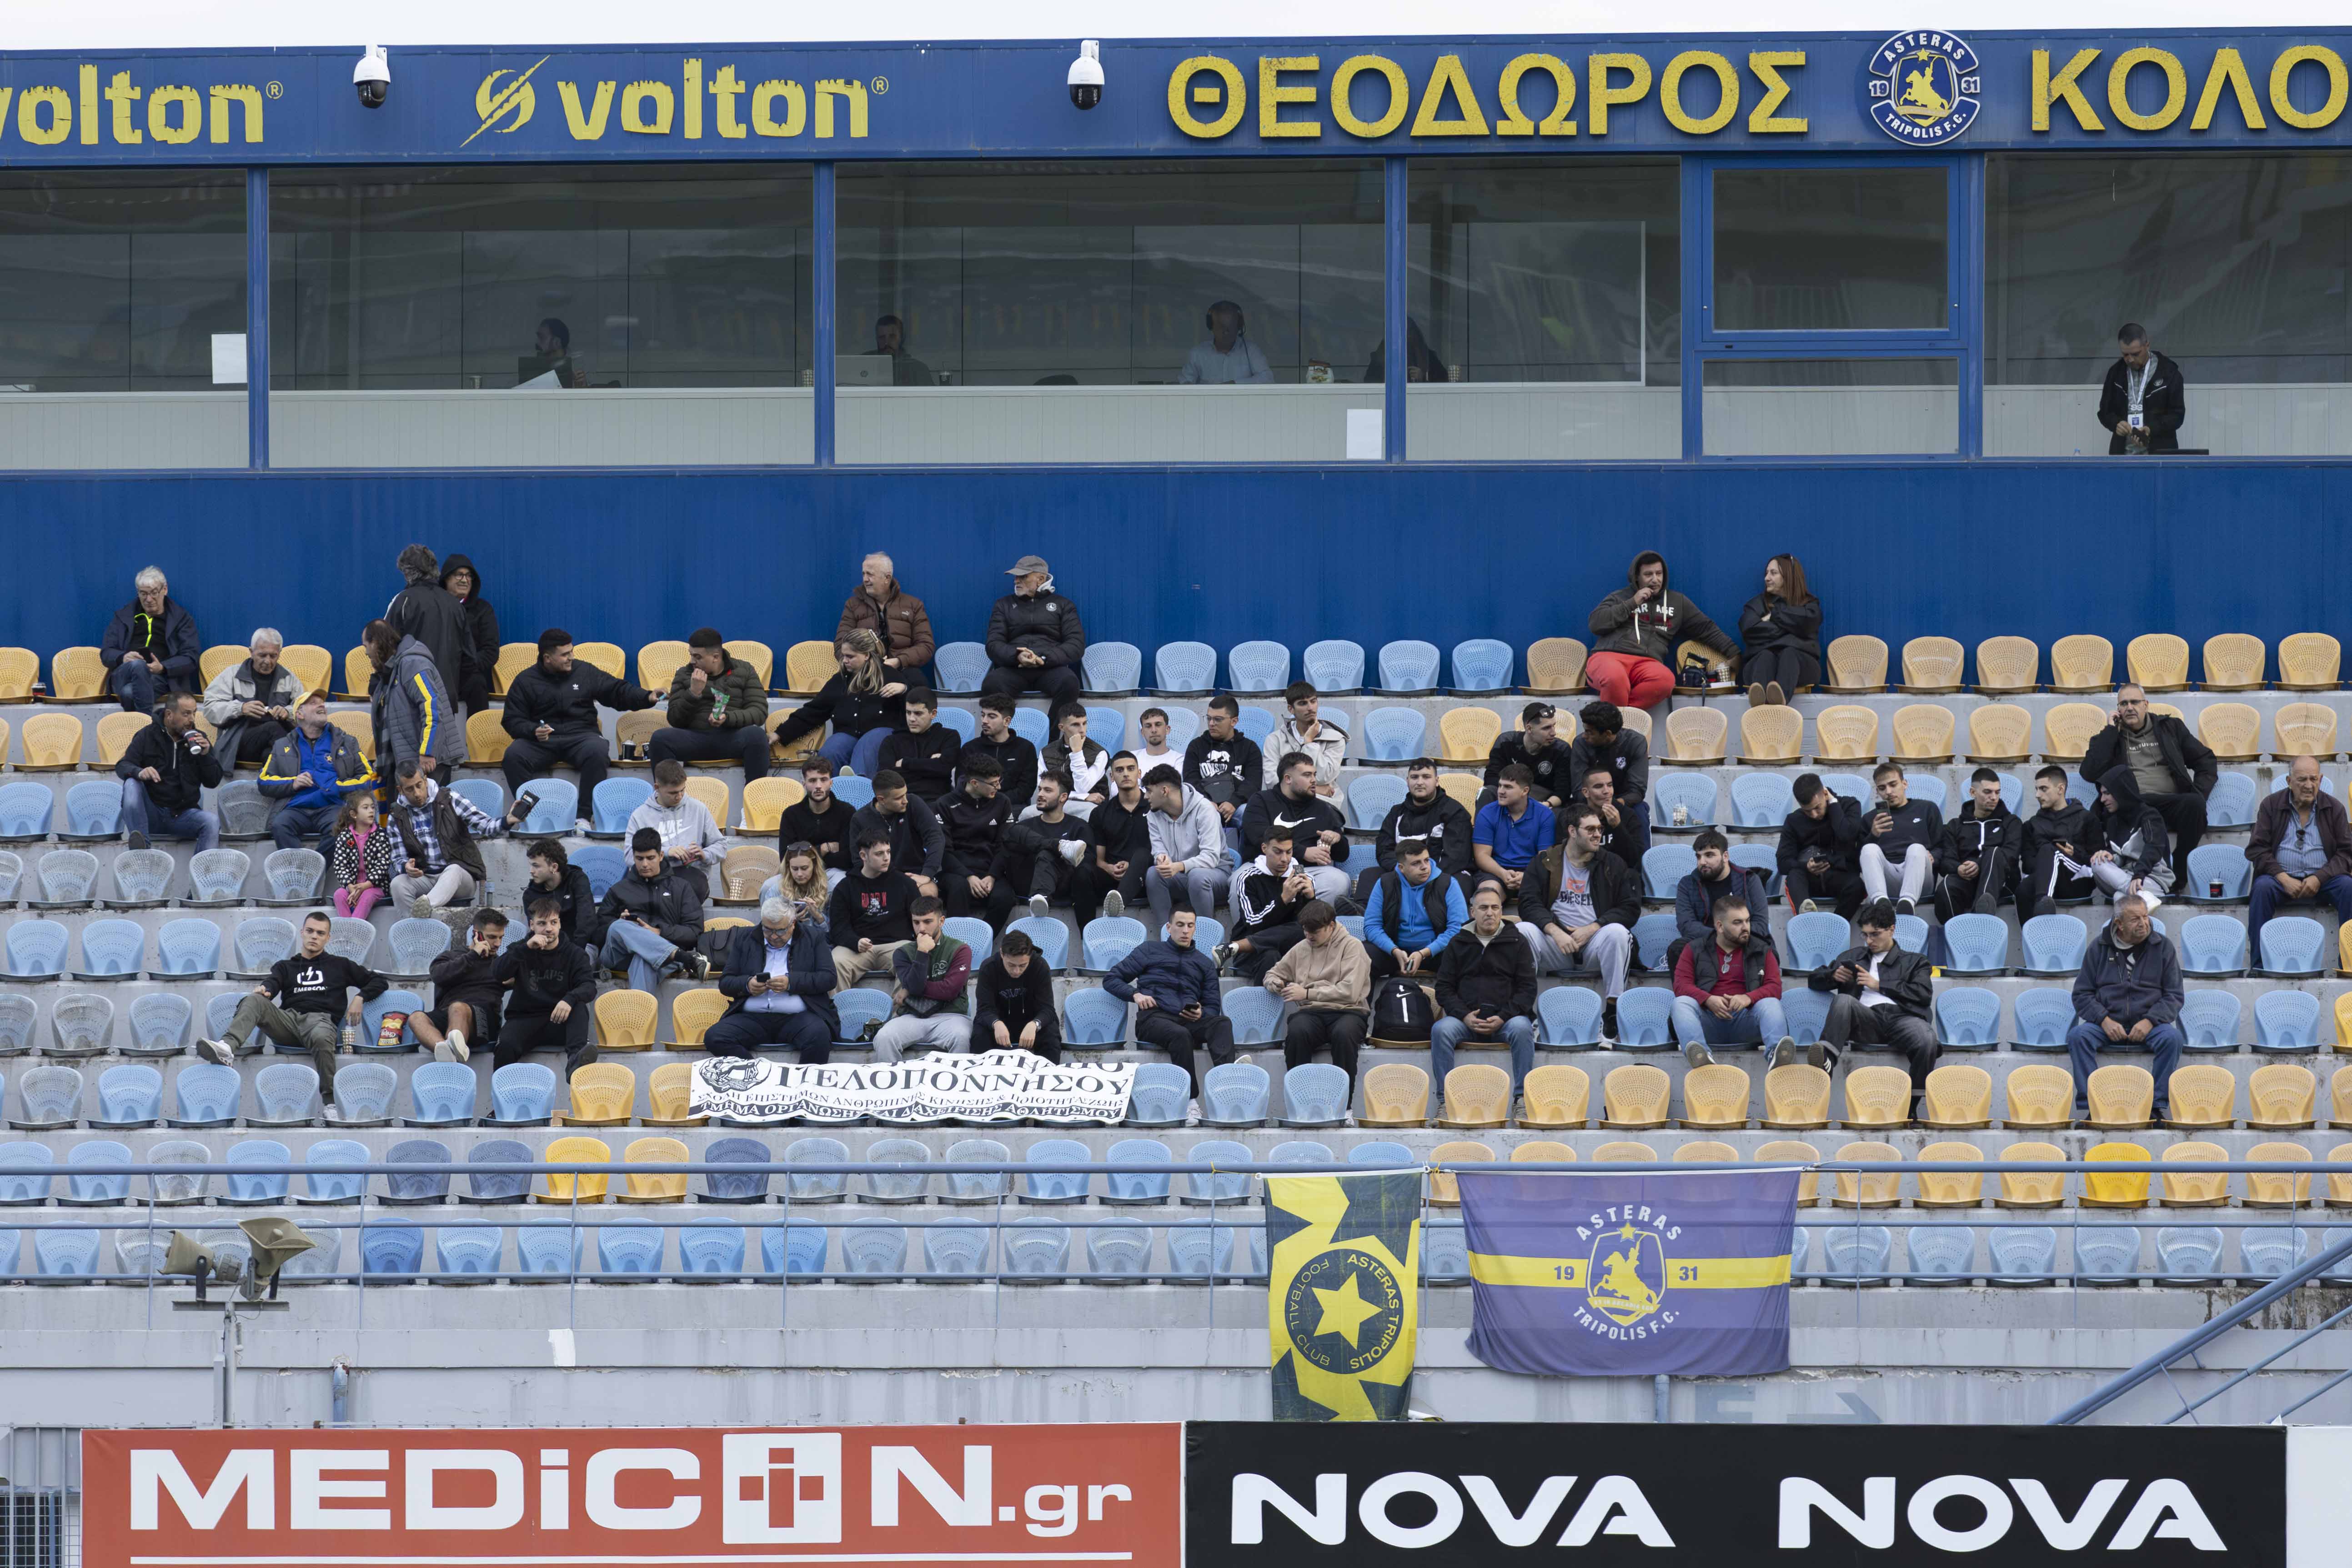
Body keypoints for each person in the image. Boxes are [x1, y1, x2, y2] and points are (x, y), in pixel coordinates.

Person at [193, 910, 388, 1103]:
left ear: (328, 938)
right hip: (288, 1023)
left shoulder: (341, 965)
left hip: (320, 1023)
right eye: (310, 931)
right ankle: (227, 1047)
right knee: (254, 999)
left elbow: (379, 981)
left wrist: (360, 997)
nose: (314, 936)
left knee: (321, 1036)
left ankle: (330, 1103)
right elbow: (273, 983)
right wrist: (266, 990)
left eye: (320, 933)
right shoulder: (285, 966)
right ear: (302, 932)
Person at [500, 630, 655, 831]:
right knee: (513, 756)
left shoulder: (585, 672)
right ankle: (533, 816)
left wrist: (646, 697)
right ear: (547, 658)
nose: (571, 657)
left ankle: (583, 818)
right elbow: (511, 719)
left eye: (571, 652)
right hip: (542, 741)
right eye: (565, 654)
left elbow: (616, 690)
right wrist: (533, 730)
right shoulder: (525, 680)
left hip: (581, 737)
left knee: (598, 750)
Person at [1794, 898, 1936, 1107]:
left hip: (1903, 1020)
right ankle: (1826, 1061)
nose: (1869, 941)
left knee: (1927, 1038)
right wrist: (1833, 976)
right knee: (1844, 1000)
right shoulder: (1853, 957)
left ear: (1892, 930)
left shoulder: (1915, 961)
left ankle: (1911, 1107)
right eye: (1865, 935)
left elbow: (1923, 994)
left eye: (1875, 934)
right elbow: (1813, 979)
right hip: (1866, 1020)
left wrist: (1880, 985)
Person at [1516, 804, 1639, 1037]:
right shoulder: (1545, 861)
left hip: (1594, 945)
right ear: (1572, 831)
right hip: (1557, 946)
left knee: (1618, 933)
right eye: (1590, 829)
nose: (1597, 834)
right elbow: (1528, 903)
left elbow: (1630, 909)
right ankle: (1525, 1011)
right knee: (1523, 930)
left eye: (1600, 829)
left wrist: (1593, 928)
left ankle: (1612, 1012)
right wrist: (1555, 931)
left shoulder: (1612, 863)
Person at [2066, 893, 2184, 1118]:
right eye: (2135, 919)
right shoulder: (2099, 947)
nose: (2144, 924)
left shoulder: (2163, 947)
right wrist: (2104, 1020)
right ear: (2119, 924)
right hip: (2107, 1024)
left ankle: (2155, 1106)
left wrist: (2150, 1021)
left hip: (2150, 1024)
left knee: (2173, 1038)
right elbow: (2081, 994)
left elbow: (2174, 995)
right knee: (2078, 1037)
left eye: (2145, 917)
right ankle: (2094, 1107)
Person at [1108, 907, 1231, 1106]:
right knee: (1180, 1034)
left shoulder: (1205, 964)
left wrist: (1201, 1014)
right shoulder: (1149, 950)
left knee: (1222, 1023)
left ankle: (1227, 1085)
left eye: (1190, 926)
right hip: (1153, 1019)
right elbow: (1112, 979)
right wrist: (1135, 994)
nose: (1185, 931)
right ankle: (1191, 1102)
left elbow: (1212, 1005)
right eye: (1180, 925)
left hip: (1187, 1019)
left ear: (1195, 928)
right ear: (1169, 927)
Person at [2082, 684, 2216, 866]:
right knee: (2112, 813)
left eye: (2135, 702)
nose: (2130, 708)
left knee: (2195, 804)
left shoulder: (2170, 728)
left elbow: (2205, 760)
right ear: (2118, 709)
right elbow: (2090, 773)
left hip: (2169, 802)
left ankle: (2181, 865)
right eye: (2124, 704)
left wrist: (2199, 792)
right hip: (2131, 805)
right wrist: (2111, 732)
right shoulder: (2110, 738)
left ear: (2146, 705)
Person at [1585, 551, 1737, 710]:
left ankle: (1621, 718)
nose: (1655, 579)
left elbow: (1706, 628)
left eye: (1659, 574)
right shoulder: (1621, 597)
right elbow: (1596, 624)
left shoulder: (1677, 602)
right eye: (1648, 574)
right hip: (1609, 657)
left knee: (1665, 681)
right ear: (1637, 577)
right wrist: (1632, 603)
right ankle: (1618, 722)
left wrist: (1733, 652)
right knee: (1615, 678)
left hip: (1647, 662)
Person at [1430, 882, 1539, 1097]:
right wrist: (1464, 1015)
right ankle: (1445, 1101)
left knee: (1522, 1029)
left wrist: (1503, 1016)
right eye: (1483, 908)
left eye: (1495, 907)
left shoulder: (1518, 942)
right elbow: (1444, 988)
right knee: (1441, 1030)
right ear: (1473, 912)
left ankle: (1521, 1099)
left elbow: (1527, 989)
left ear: (1501, 910)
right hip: (1466, 1021)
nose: (1490, 913)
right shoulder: (1458, 942)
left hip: (1506, 1021)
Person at [705, 896, 838, 1061]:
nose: (774, 936)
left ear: (793, 924)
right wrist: (748, 985)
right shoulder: (745, 937)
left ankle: (801, 1079)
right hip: (752, 1017)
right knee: (715, 1037)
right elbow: (726, 982)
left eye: (780, 931)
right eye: (768, 930)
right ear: (762, 922)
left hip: (800, 1016)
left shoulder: (813, 937)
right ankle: (757, 1073)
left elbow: (829, 978)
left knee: (819, 1035)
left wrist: (791, 983)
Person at [2247, 755, 2352, 961]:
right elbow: (2257, 850)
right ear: (2289, 781)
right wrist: (2283, 878)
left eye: (2314, 779)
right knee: (2261, 888)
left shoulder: (2334, 808)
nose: (2309, 786)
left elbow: (2347, 853)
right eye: (2302, 780)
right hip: (2280, 881)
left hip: (2325, 881)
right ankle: (2259, 966)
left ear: (2321, 780)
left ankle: (2349, 963)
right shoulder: (2271, 806)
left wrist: (2319, 878)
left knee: (2349, 887)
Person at [387, 760, 522, 915]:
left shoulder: (449, 799)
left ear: (425, 780)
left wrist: (507, 820)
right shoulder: (396, 817)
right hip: (425, 877)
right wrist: (406, 866)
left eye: (419, 785)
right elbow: (398, 858)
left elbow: (485, 826)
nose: (417, 793)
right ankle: (413, 926)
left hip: (460, 879)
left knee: (453, 870)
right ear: (401, 790)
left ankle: (425, 908)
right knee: (398, 884)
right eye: (410, 789)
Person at [770, 630, 907, 782]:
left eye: (850, 657)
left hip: (881, 734)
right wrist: (780, 734)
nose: (845, 661)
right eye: (844, 656)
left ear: (866, 655)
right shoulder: (840, 680)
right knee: (831, 751)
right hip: (847, 735)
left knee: (867, 746)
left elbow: (918, 703)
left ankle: (858, 788)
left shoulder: (890, 675)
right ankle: (830, 792)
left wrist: (904, 690)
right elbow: (814, 710)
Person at [1265, 900, 1372, 1092]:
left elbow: (1350, 992)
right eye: (1306, 931)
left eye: (1315, 931)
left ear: (1331, 926)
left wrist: (1307, 993)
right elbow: (1272, 974)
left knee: (1344, 1034)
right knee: (1297, 1031)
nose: (1309, 936)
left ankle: (1344, 1103)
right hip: (1312, 1013)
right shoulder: (1302, 947)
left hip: (1349, 1011)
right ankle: (1300, 1098)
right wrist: (1276, 983)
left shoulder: (1353, 947)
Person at [1672, 897, 1790, 1064]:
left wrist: (1748, 998)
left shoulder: (1763, 950)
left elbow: (1775, 988)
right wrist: (1707, 999)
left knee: (1770, 1003)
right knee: (1681, 1003)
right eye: (1737, 923)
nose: (1745, 927)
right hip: (1708, 1022)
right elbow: (1681, 985)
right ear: (1720, 926)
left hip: (1747, 1020)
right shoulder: (1695, 949)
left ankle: (1777, 1056)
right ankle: (1701, 1057)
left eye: (1747, 921)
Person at [491, 897, 599, 1072]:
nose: (549, 929)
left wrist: (569, 999)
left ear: (560, 924)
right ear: (532, 925)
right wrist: (526, 948)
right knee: (505, 1047)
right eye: (542, 923)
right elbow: (498, 974)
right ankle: (503, 1088)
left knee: (578, 1004)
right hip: (524, 1020)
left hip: (559, 1021)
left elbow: (589, 986)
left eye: (554, 922)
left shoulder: (575, 954)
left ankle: (575, 1062)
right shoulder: (521, 949)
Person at [595, 828, 707, 993]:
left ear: (661, 856)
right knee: (618, 926)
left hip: (660, 958)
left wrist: (659, 932)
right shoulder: (618, 890)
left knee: (643, 958)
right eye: (639, 859)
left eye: (650, 858)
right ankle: (680, 956)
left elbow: (694, 932)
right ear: (633, 857)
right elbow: (597, 934)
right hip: (620, 956)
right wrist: (623, 926)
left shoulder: (681, 888)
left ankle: (639, 1012)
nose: (645, 864)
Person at [650, 627, 771, 780]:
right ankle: (670, 793)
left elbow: (759, 711)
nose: (692, 661)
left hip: (732, 737)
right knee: (660, 739)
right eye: (691, 655)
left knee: (757, 736)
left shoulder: (744, 670)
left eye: (698, 657)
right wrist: (693, 693)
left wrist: (728, 718)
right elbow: (674, 719)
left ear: (716, 657)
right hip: (695, 738)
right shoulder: (684, 674)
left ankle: (754, 794)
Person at [261, 693, 372, 852]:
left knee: (341, 827)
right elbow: (263, 781)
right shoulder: (282, 745)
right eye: (313, 703)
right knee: (280, 826)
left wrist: (338, 787)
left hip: (332, 806)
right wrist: (293, 783)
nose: (321, 706)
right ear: (300, 714)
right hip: (296, 808)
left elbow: (368, 777)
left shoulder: (347, 742)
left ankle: (315, 866)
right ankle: (303, 867)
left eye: (322, 703)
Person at [982, 555, 1085, 725]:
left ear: (1041, 579)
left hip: (1050, 667)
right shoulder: (1003, 605)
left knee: (1070, 683)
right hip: (1014, 667)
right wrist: (1017, 656)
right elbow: (993, 644)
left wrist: (1044, 658)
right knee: (992, 683)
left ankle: (1051, 737)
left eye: (1023, 576)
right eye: (1016, 577)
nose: (1017, 581)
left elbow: (1076, 644)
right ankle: (1009, 735)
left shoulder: (1064, 605)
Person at [116, 690, 220, 852]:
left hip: (182, 815)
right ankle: (141, 849)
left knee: (212, 822)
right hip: (151, 814)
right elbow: (123, 765)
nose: (192, 719)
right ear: (170, 715)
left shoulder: (199, 739)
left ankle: (201, 868)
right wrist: (139, 772)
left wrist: (206, 756)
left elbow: (213, 782)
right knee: (131, 783)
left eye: (194, 713)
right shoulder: (147, 735)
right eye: (186, 714)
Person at [365, 617, 465, 783]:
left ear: (375, 643)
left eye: (366, 646)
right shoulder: (393, 670)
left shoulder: (412, 664)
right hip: (408, 764)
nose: (366, 653)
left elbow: (432, 707)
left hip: (427, 763)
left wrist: (427, 752)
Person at [1242, 753, 1351, 903]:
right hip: (1265, 868)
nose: (1314, 780)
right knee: (1238, 881)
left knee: (1340, 881)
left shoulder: (1322, 808)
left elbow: (1343, 855)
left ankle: (1308, 917)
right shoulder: (1261, 800)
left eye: (1314, 775)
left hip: (1302, 870)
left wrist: (1337, 839)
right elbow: (1258, 837)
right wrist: (1304, 852)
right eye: (1307, 775)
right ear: (1288, 779)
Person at [873, 897, 973, 1060]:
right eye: (916, 922)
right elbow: (916, 987)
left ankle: (956, 1078)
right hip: (912, 1016)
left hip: (950, 1016)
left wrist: (909, 990)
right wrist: (922, 952)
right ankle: (891, 1077)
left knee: (961, 1036)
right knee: (884, 1037)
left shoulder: (960, 949)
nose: (922, 929)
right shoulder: (903, 953)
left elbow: (950, 991)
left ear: (941, 921)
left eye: (928, 922)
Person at [408, 907, 506, 1064]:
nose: (498, 944)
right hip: (447, 1014)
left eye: (501, 938)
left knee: (458, 1008)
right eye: (492, 937)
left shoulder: (501, 964)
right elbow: (438, 976)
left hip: (483, 1021)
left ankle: (452, 1059)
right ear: (477, 934)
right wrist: (473, 956)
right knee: (416, 1018)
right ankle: (444, 1050)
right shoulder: (451, 957)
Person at [1218, 823, 1315, 980]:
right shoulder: (1248, 878)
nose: (1285, 859)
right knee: (1271, 955)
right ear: (1264, 848)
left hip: (1292, 948)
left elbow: (1312, 926)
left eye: (1289, 852)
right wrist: (1283, 900)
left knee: (1302, 928)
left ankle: (1234, 947)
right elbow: (1253, 924)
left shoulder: (1302, 877)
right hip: (1253, 952)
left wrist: (1311, 898)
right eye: (1278, 852)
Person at [827, 832, 920, 992]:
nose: (886, 858)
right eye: (879, 854)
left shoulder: (905, 883)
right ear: (863, 856)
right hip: (857, 949)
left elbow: (920, 918)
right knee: (836, 962)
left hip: (896, 946)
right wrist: (855, 941)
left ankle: (901, 1008)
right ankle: (839, 1008)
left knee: (914, 958)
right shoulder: (845, 887)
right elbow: (838, 929)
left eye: (888, 852)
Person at [200, 628, 305, 769]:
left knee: (271, 755)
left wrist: (288, 712)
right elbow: (210, 708)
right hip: (238, 742)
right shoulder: (232, 675)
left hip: (276, 741)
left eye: (273, 656)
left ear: (280, 653)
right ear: (251, 652)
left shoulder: (289, 678)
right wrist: (241, 708)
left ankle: (278, 780)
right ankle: (302, 769)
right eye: (262, 655)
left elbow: (305, 711)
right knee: (273, 729)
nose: (268, 661)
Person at [1362, 838, 1465, 981]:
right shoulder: (1385, 884)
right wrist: (1394, 950)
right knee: (1361, 955)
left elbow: (1458, 928)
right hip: (1395, 952)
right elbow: (1372, 926)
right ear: (1402, 868)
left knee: (1465, 954)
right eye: (1416, 863)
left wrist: (1424, 953)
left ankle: (1451, 996)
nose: (1425, 867)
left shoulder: (1448, 884)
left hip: (1437, 952)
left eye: (1427, 860)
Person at [1671, 828, 1770, 974]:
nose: (1702, 862)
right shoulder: (1688, 884)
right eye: (1699, 857)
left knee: (1766, 950)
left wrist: (1731, 935)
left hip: (1743, 940)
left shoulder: (1749, 880)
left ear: (1725, 856)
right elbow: (1687, 925)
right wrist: (1721, 937)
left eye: (1709, 855)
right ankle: (1688, 990)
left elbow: (1761, 925)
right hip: (1706, 941)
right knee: (1677, 949)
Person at [100, 566, 198, 713]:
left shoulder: (181, 619)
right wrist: (123, 657)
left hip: (159, 678)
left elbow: (191, 658)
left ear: (165, 590)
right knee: (138, 665)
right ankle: (148, 726)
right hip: (125, 674)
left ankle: (142, 725)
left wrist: (163, 667)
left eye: (154, 593)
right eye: (143, 594)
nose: (149, 599)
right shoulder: (124, 616)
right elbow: (106, 653)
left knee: (129, 693)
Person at [1143, 763, 1230, 925]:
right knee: (1154, 874)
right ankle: (1166, 934)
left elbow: (1211, 858)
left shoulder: (1204, 809)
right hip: (1182, 877)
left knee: (1197, 876)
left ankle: (1205, 933)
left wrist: (1179, 866)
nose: (1146, 797)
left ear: (1164, 791)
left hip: (1216, 875)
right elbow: (1158, 850)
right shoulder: (1153, 815)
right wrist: (1162, 859)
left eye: (1149, 791)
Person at [939, 754, 1020, 927]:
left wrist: (993, 876)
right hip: (957, 871)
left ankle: (982, 940)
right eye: (994, 783)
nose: (999, 787)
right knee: (958, 889)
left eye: (999, 781)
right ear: (975, 783)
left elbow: (1005, 845)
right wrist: (968, 876)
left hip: (990, 868)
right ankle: (956, 941)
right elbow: (944, 852)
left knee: (1005, 898)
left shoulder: (1002, 802)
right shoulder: (945, 804)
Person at [384, 544, 469, 703]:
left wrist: (378, 684)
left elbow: (385, 648)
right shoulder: (456, 605)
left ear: (408, 572)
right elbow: (469, 656)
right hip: (447, 697)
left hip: (411, 698)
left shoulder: (404, 601)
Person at [627, 760, 726, 897]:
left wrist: (704, 854)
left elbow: (721, 845)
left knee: (689, 888)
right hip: (653, 876)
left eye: (682, 790)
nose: (679, 796)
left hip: (691, 875)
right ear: (657, 788)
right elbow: (630, 856)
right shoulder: (640, 815)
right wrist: (666, 853)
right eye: (673, 793)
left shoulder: (698, 809)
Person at [1935, 767, 2023, 920]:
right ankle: (1956, 931)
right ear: (1973, 793)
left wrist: (1979, 864)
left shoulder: (2011, 822)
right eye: (1988, 792)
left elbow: (2011, 856)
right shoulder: (1955, 826)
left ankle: (1981, 917)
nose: (1994, 797)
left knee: (1994, 853)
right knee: (1946, 888)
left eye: (1997, 792)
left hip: (2002, 884)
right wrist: (1959, 868)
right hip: (1967, 882)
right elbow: (1946, 861)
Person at [1859, 761, 1942, 915]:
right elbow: (1861, 858)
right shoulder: (1870, 819)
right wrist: (1874, 835)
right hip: (1888, 879)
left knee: (1916, 848)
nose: (1889, 792)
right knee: (1869, 848)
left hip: (1920, 877)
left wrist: (1933, 857)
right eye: (1882, 788)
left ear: (1904, 784)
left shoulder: (1927, 809)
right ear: (1877, 791)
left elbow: (1942, 846)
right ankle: (1880, 902)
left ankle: (1907, 903)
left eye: (1893, 785)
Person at [1738, 553, 1821, 706]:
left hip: (1801, 668)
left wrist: (1773, 616)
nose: (1767, 578)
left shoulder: (1809, 605)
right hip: (1758, 667)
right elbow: (1749, 629)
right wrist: (1792, 630)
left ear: (1788, 576)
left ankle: (1779, 701)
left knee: (1790, 654)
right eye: (1767, 573)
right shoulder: (1757, 605)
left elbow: (1808, 622)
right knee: (1766, 657)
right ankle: (1760, 702)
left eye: (1774, 573)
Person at [2089, 765, 2175, 911]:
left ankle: (2136, 893)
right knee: (2097, 862)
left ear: (2121, 790)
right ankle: (2139, 895)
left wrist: (2139, 875)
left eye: (2107, 793)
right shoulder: (2112, 821)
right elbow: (2120, 856)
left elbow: (2154, 847)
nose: (2102, 799)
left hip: (2150, 879)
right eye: (2101, 794)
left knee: (2119, 897)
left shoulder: (2149, 816)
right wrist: (2110, 856)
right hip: (2127, 878)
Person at [1010, 770, 1093, 920]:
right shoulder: (1025, 827)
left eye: (1048, 791)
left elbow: (1088, 862)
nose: (1040, 795)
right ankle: (1059, 847)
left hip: (1066, 884)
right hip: (1029, 884)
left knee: (1048, 855)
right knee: (1037, 848)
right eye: (1040, 789)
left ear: (1063, 797)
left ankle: (1041, 898)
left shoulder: (1079, 827)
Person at [835, 551, 936, 673]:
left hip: (902, 670)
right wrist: (866, 663)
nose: (865, 579)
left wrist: (899, 661)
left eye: (870, 574)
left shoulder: (913, 605)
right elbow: (841, 644)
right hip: (863, 671)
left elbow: (926, 646)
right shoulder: (853, 605)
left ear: (887, 578)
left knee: (919, 684)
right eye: (864, 574)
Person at [1779, 771, 1864, 915]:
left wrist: (1834, 804)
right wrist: (1806, 866)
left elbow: (1847, 835)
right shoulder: (1794, 820)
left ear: (1825, 794)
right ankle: (1807, 918)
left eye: (1817, 807)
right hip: (1809, 878)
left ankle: (1836, 925)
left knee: (1858, 886)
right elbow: (1783, 863)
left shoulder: (1849, 805)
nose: (1814, 815)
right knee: (1794, 876)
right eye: (1807, 811)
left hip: (1841, 875)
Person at [2020, 764, 2098, 919]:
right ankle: (2032, 932)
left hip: (2077, 882)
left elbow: (2097, 860)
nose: (2037, 795)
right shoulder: (2032, 825)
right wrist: (2047, 865)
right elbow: (2028, 865)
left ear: (2061, 789)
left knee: (2050, 851)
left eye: (2043, 789)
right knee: (2023, 891)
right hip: (2044, 879)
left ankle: (2043, 902)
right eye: (2037, 789)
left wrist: (2074, 853)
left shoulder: (2087, 819)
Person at [973, 927, 1062, 1061]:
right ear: (1002, 954)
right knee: (980, 1035)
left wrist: (1035, 1024)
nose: (1016, 971)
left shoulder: (1040, 966)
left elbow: (1048, 1009)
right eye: (1011, 965)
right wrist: (996, 1023)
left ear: (1030, 957)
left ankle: (1048, 1072)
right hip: (999, 1021)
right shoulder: (989, 968)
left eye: (1022, 966)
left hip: (1031, 1021)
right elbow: (984, 1010)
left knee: (1051, 1035)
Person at [1184, 695, 1263, 842]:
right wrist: (1206, 802)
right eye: (1209, 718)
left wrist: (1234, 802)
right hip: (1204, 806)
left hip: (1237, 807)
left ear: (1234, 721)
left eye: (1218, 719)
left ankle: (1247, 856)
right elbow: (1190, 781)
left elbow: (1253, 783)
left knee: (1250, 814)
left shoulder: (1250, 748)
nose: (1211, 724)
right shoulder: (1196, 746)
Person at [1377, 759, 1473, 880]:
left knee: (1461, 881)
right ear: (1408, 781)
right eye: (1414, 777)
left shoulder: (1455, 812)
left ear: (1437, 781)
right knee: (1368, 876)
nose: (1420, 782)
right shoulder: (1396, 813)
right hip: (1403, 875)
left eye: (1426, 777)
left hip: (1441, 876)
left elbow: (1456, 857)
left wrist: (1425, 876)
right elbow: (1384, 850)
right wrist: (1405, 872)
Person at [2097, 322, 2185, 455]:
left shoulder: (2169, 372)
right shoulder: (2115, 373)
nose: (2130, 359)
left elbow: (2177, 415)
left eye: (2136, 354)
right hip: (2123, 455)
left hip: (2160, 454)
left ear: (2147, 345)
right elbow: (2105, 412)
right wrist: (2116, 424)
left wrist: (2151, 429)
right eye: (2125, 355)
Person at [853, 770, 944, 895]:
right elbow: (858, 860)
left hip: (916, 873)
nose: (905, 801)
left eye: (905, 794)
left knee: (928, 893)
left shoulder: (914, 803)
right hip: (879, 877)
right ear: (881, 800)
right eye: (898, 798)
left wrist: (927, 874)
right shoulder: (860, 819)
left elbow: (936, 837)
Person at [1086, 751, 1150, 924]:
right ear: (1112, 776)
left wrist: (1132, 867)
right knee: (1083, 873)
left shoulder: (1154, 807)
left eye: (1131, 769)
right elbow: (1099, 860)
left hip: (1147, 876)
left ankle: (1116, 907)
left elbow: (1162, 851)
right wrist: (1108, 868)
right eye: (1120, 770)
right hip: (1112, 878)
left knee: (1143, 855)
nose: (1126, 774)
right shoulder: (1101, 813)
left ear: (1139, 773)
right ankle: (1088, 930)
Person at [1473, 764, 1554, 896]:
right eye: (1500, 786)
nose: (1501, 791)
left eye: (1508, 787)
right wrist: (1503, 873)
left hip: (1533, 872)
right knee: (1487, 894)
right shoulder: (1487, 813)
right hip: (1496, 871)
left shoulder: (1544, 815)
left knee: (1546, 893)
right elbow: (1482, 856)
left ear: (1525, 791)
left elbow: (1544, 857)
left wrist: (1528, 876)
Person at [1567, 701, 1651, 827]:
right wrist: (1597, 806)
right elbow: (1578, 790)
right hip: (1590, 802)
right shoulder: (1581, 744)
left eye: (1590, 732)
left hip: (1623, 802)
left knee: (1640, 811)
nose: (1584, 736)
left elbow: (1637, 791)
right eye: (1585, 730)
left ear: (1607, 734)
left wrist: (1613, 806)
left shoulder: (1635, 743)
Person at [1485, 702, 1576, 809]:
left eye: (1554, 726)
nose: (1554, 733)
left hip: (1545, 804)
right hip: (1508, 798)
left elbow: (1563, 791)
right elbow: (1491, 780)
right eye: (1546, 728)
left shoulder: (1561, 750)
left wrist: (1546, 805)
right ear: (1529, 729)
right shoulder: (1505, 743)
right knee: (1486, 793)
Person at [440, 553, 499, 714]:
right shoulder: (435, 608)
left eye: (469, 576)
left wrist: (465, 666)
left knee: (478, 684)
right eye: (459, 575)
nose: (465, 580)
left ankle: (477, 731)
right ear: (446, 578)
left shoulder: (483, 610)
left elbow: (490, 652)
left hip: (470, 675)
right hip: (440, 674)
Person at [780, 756, 858, 874]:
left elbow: (849, 858)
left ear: (831, 783)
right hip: (799, 873)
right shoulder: (791, 815)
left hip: (835, 872)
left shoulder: (847, 812)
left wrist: (805, 856)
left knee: (840, 881)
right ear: (804, 784)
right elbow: (786, 858)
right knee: (769, 884)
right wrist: (823, 849)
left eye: (824, 780)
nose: (818, 786)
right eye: (812, 781)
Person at [879, 690, 958, 804]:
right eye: (908, 713)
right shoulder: (891, 741)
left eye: (918, 714)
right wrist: (931, 765)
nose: (911, 719)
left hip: (936, 802)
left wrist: (905, 763)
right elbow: (885, 780)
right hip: (901, 803)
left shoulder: (949, 736)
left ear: (933, 714)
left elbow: (944, 769)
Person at [1264, 682, 1345, 794]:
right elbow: (1272, 782)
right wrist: (1316, 789)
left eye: (1313, 701)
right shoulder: (1275, 740)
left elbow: (1324, 777)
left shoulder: (1336, 739)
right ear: (1291, 709)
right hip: (1286, 801)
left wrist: (1309, 744)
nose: (1310, 708)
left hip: (1322, 801)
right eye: (1303, 704)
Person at [960, 694, 1038, 808]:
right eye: (983, 715)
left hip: (1012, 806)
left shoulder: (1026, 748)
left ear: (1007, 721)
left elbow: (1026, 789)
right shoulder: (970, 748)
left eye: (991, 717)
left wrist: (998, 803)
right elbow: (963, 784)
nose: (984, 721)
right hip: (977, 806)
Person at [523, 838, 597, 953]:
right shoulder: (530, 895)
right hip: (547, 949)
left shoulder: (577, 880)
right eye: (531, 866)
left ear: (554, 867)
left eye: (536, 866)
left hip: (581, 946)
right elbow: (536, 930)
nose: (531, 871)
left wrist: (574, 953)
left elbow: (587, 920)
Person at [327, 794, 394, 920]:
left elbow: (383, 864)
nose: (371, 811)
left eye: (373, 807)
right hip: (352, 886)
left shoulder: (380, 835)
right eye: (366, 808)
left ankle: (354, 930)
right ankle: (349, 929)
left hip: (375, 887)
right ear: (354, 814)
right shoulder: (345, 837)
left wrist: (367, 885)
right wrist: (350, 887)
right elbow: (340, 866)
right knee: (339, 895)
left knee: (367, 896)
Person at [1177, 299, 1271, 384]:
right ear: (1211, 327)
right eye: (1221, 327)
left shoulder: (1252, 351)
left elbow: (1268, 379)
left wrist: (1234, 384)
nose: (1226, 332)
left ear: (1239, 327)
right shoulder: (1197, 353)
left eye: (1230, 327)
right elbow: (1185, 383)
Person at [1579, 765, 1649, 870]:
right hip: (1584, 873)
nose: (1607, 791)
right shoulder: (1574, 816)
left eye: (1610, 785)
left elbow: (1636, 860)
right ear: (1586, 792)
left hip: (1618, 875)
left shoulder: (1628, 815)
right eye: (1599, 787)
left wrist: (1618, 827)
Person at [1041, 707, 1110, 802]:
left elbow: (1082, 788)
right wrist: (1083, 796)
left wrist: (1077, 753)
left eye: (1085, 724)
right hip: (1057, 803)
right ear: (1062, 728)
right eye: (1076, 725)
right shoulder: (1046, 752)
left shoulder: (1100, 753)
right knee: (1029, 811)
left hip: (1090, 805)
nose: (1082, 730)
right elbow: (1043, 788)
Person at [1363, 317, 1445, 384]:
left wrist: (1423, 378)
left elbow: (1443, 382)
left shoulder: (1428, 357)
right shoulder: (1381, 355)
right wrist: (1387, 376)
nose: (1402, 339)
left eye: (1407, 334)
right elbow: (1369, 382)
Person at [874, 314, 936, 387]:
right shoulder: (867, 365)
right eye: (882, 337)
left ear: (901, 338)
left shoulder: (918, 369)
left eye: (892, 337)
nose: (886, 343)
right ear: (877, 339)